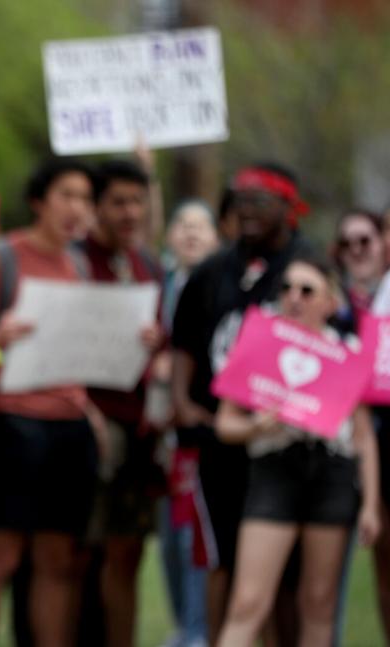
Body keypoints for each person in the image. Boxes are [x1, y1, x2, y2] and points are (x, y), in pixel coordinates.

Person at [0, 158, 104, 647]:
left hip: (71, 426)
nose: (77, 208)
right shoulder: (1, 256)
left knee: (57, 562)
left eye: (85, 198)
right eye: (67, 195)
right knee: (2, 558)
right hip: (14, 424)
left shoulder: (81, 264)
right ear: (39, 200)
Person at [171, 163, 312, 644]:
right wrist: (182, 404)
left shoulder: (303, 271)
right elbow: (184, 344)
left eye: (260, 200)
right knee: (223, 561)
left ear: (289, 207)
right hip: (222, 443)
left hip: (287, 449)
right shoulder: (213, 271)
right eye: (239, 199)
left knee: (289, 575)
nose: (246, 210)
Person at [215, 254, 381, 647]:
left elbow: (362, 436)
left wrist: (371, 504)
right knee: (248, 602)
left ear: (330, 301)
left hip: (332, 474)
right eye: (286, 288)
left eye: (307, 290)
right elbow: (225, 424)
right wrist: (256, 426)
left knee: (320, 604)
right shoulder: (257, 341)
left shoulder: (348, 351)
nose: (294, 297)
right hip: (274, 470)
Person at [80, 159, 165, 647]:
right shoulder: (75, 261)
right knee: (79, 557)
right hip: (88, 430)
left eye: (138, 201)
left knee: (127, 555)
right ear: (97, 208)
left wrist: (159, 344)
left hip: (140, 432)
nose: (130, 212)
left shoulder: (148, 264)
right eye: (118, 202)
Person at [154, 200, 219, 647]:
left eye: (201, 226)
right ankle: (186, 626)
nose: (191, 233)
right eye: (182, 225)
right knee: (168, 546)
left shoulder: (222, 285)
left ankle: (198, 632)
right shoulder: (158, 284)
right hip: (157, 442)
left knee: (192, 542)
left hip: (200, 441)